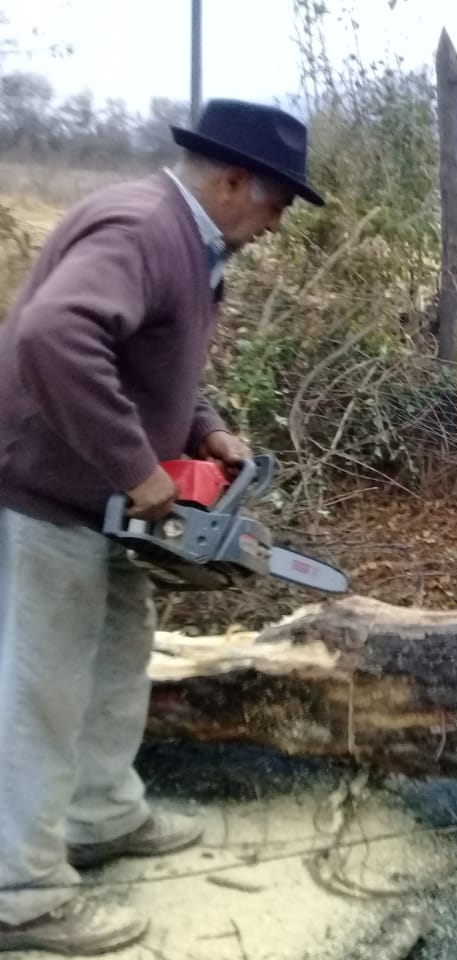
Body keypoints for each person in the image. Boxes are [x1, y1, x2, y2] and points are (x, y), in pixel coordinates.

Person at [0, 99, 324, 955]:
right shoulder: (145, 228)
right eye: (277, 202)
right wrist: (140, 473)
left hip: (98, 500)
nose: (277, 221)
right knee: (39, 691)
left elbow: (147, 356)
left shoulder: (190, 244)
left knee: (119, 650)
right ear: (231, 180)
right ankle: (22, 895)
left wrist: (204, 429)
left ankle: (101, 815)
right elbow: (55, 335)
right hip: (44, 491)